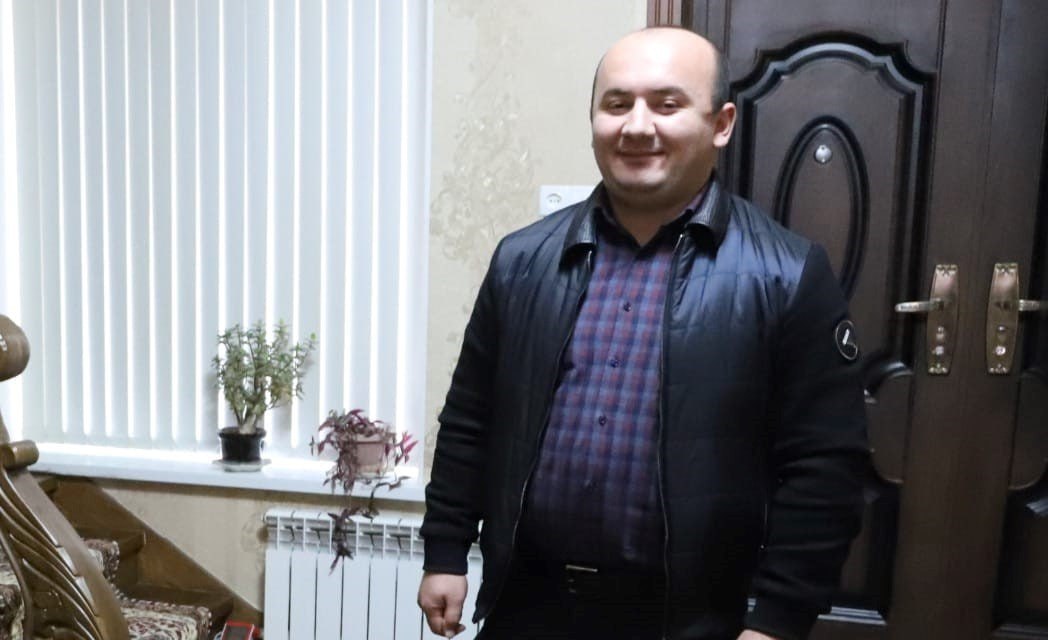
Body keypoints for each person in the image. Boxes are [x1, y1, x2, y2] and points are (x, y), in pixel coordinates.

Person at [418, 26, 867, 640]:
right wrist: (445, 549)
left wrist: (778, 620)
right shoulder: (521, 261)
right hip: (527, 607)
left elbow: (824, 468)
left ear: (721, 124)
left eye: (666, 104)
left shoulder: (787, 275)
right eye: (616, 103)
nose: (636, 126)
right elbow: (471, 418)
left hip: (690, 620)